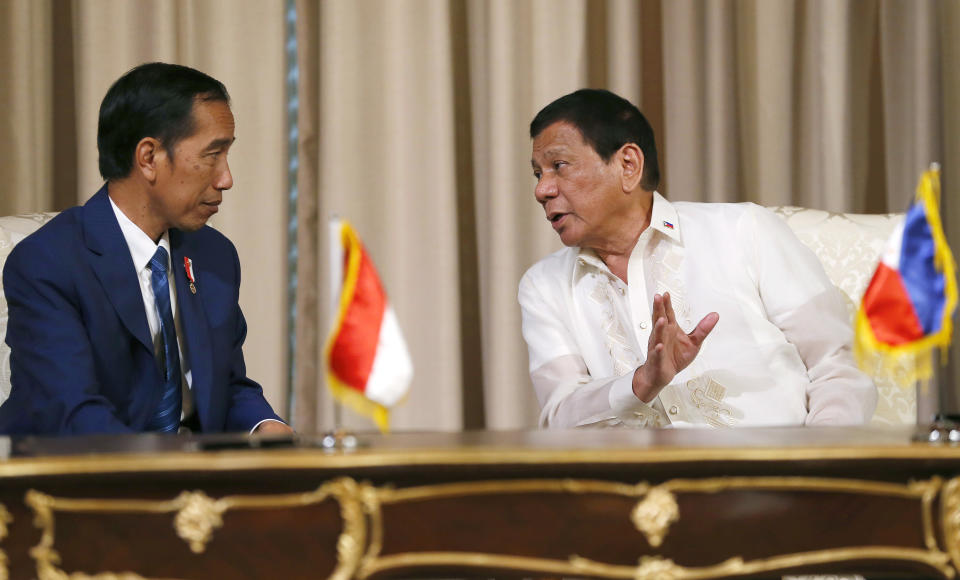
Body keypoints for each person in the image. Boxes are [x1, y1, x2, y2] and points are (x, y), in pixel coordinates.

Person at [520, 88, 877, 429]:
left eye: (559, 166)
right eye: (538, 174)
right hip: (645, 490)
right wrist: (641, 383)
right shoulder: (544, 286)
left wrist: (812, 466)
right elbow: (560, 414)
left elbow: (838, 368)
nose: (542, 190)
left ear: (628, 165)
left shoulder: (744, 230)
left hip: (774, 475)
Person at [0, 62, 292, 435]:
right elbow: (72, 413)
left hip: (190, 480)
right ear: (149, 158)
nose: (226, 179)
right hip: (84, 480)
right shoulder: (48, 261)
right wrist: (170, 477)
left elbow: (225, 386)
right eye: (211, 155)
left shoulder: (214, 255)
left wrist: (265, 427)